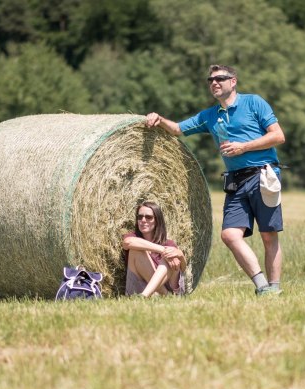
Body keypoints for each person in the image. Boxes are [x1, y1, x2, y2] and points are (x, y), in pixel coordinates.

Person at [146, 64, 286, 296]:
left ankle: (274, 288)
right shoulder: (210, 115)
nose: (214, 83)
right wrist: (158, 119)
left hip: (263, 175)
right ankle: (263, 287)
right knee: (229, 235)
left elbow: (278, 136)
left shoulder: (254, 103)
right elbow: (178, 129)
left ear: (233, 81)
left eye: (220, 78)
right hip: (235, 181)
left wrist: (243, 147)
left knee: (268, 235)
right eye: (210, 80)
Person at [122, 201, 187, 297]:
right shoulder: (133, 237)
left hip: (164, 286)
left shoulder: (168, 243)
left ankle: (144, 296)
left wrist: (180, 255)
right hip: (138, 289)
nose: (143, 220)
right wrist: (162, 249)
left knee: (170, 255)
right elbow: (128, 243)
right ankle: (164, 294)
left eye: (148, 217)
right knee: (136, 250)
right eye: (140, 217)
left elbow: (181, 267)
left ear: (157, 220)